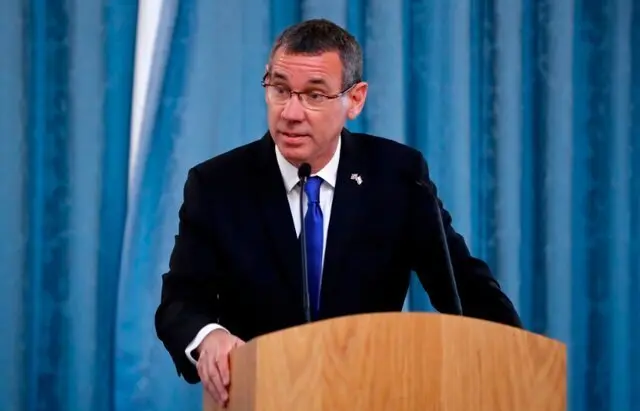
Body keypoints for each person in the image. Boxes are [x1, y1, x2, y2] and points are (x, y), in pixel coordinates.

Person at [154, 18, 522, 407]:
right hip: (260, 397)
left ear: (355, 99)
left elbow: (465, 287)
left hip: (370, 397)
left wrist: (515, 362)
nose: (291, 112)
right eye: (280, 89)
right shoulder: (218, 184)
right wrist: (209, 336)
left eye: (314, 95)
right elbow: (180, 301)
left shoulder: (397, 177)